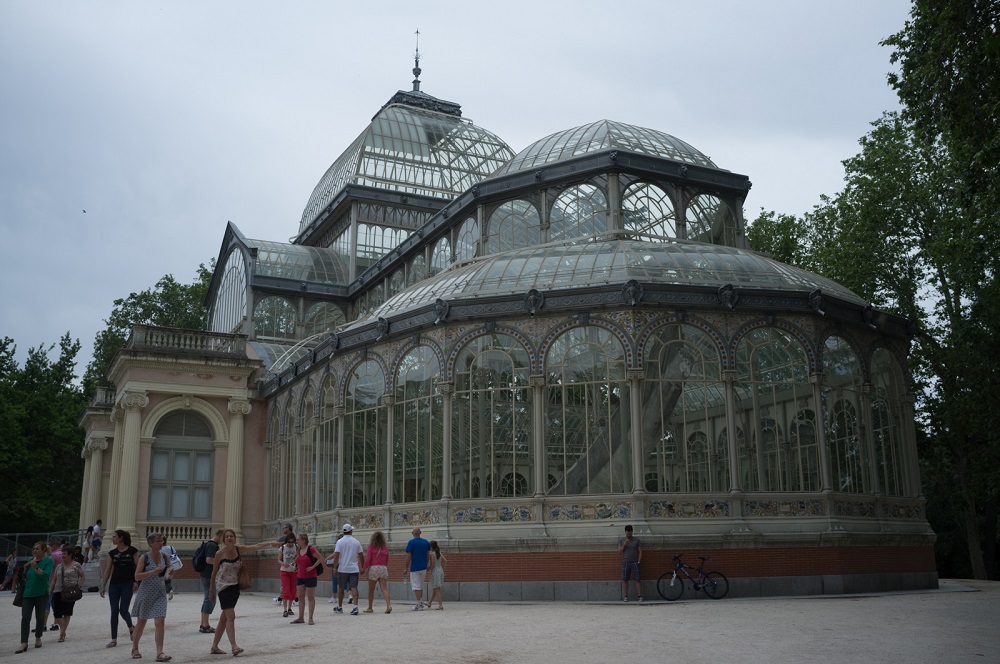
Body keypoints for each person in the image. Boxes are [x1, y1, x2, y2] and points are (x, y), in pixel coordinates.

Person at [208, 528, 273, 656]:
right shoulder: (219, 554)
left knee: (224, 618)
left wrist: (270, 543)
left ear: (234, 538)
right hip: (223, 587)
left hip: (235, 586)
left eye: (231, 536)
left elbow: (255, 547)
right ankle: (234, 646)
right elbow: (214, 573)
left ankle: (214, 646)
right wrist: (211, 591)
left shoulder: (238, 549)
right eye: (227, 536)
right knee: (231, 616)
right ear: (224, 539)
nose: (229, 538)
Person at [130, 533, 171, 662]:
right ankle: (135, 648)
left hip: (160, 593)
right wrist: (153, 571)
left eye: (162, 540)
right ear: (151, 543)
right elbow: (137, 576)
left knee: (160, 622)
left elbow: (169, 572)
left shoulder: (165, 556)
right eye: (158, 541)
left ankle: (160, 652)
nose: (161, 543)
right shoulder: (145, 557)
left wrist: (170, 573)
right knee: (141, 622)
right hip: (146, 593)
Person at [100, 529, 139, 648]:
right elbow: (107, 570)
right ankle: (114, 639)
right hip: (114, 584)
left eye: (114, 536)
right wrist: (103, 586)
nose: (112, 538)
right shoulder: (112, 553)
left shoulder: (132, 551)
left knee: (123, 610)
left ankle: (131, 627)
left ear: (121, 538)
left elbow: (137, 567)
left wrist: (136, 581)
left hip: (127, 583)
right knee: (114, 611)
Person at [16, 541, 52, 653]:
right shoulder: (30, 560)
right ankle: (24, 642)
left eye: (37, 549)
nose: (34, 551)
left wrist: (36, 568)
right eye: (34, 549)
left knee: (40, 617)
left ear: (44, 550)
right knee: (25, 617)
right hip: (28, 592)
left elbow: (45, 575)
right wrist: (25, 569)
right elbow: (25, 576)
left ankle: (38, 637)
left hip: (41, 593)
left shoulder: (48, 561)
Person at [49, 544, 85, 642]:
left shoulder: (76, 565)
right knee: (57, 614)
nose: (62, 556)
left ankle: (62, 634)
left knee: (67, 613)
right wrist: (50, 591)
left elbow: (82, 576)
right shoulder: (59, 566)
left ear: (70, 555)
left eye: (64, 554)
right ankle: (63, 630)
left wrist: (79, 586)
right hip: (58, 591)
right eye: (62, 554)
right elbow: (54, 580)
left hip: (70, 592)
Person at [290, 533, 322, 625]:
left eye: (298, 540)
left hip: (311, 576)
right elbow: (297, 561)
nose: (296, 541)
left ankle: (310, 618)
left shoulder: (310, 549)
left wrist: (312, 567)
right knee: (300, 597)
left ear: (303, 540)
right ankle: (301, 617)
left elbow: (320, 558)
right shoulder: (299, 550)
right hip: (300, 576)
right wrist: (295, 566)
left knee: (310, 597)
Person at [332, 523, 364, 615]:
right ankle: (355, 606)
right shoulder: (356, 542)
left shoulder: (340, 542)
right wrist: (362, 566)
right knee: (354, 587)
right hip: (354, 568)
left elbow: (336, 555)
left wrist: (334, 568)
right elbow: (361, 555)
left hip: (343, 568)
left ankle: (340, 607)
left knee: (341, 588)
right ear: (351, 531)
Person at [199, 529, 223, 634]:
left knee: (208, 599)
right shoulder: (212, 545)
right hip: (209, 576)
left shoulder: (209, 544)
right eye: (224, 537)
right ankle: (205, 625)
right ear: (220, 535)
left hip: (206, 575)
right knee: (210, 599)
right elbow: (209, 559)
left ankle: (204, 624)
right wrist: (222, 562)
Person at [362, 530, 391, 614]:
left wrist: (364, 568)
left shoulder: (371, 547)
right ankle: (388, 605)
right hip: (383, 568)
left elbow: (368, 559)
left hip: (374, 568)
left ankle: (370, 607)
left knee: (371, 590)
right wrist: (384, 566)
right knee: (384, 588)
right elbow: (387, 558)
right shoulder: (385, 547)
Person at [404, 527, 431, 611]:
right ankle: (420, 602)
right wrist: (426, 564)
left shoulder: (411, 542)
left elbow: (408, 556)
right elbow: (428, 554)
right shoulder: (426, 542)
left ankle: (419, 604)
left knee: (416, 586)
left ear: (412, 533)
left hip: (415, 567)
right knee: (420, 585)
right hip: (423, 567)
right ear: (420, 533)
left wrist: (406, 568)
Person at [618, 524, 642, 602]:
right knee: (625, 580)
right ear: (625, 532)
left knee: (637, 579)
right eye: (627, 534)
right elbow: (619, 552)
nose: (629, 535)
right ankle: (625, 596)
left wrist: (639, 561)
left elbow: (640, 551)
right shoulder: (622, 540)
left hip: (635, 562)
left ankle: (640, 596)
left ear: (632, 532)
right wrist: (624, 545)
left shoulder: (636, 540)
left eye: (630, 533)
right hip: (625, 562)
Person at [278, 533, 298, 618]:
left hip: (294, 571)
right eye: (289, 542)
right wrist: (283, 563)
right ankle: (285, 609)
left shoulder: (296, 547)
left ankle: (290, 608)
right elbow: (279, 560)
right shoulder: (282, 548)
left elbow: (298, 557)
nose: (290, 544)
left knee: (293, 590)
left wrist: (296, 563)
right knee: (286, 590)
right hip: (284, 571)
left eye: (292, 542)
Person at [428, 540, 446, 610]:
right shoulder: (439, 553)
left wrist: (428, 569)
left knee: (436, 589)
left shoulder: (432, 554)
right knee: (435, 589)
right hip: (440, 571)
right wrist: (441, 567)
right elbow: (445, 561)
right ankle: (429, 602)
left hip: (435, 572)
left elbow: (432, 564)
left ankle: (440, 605)